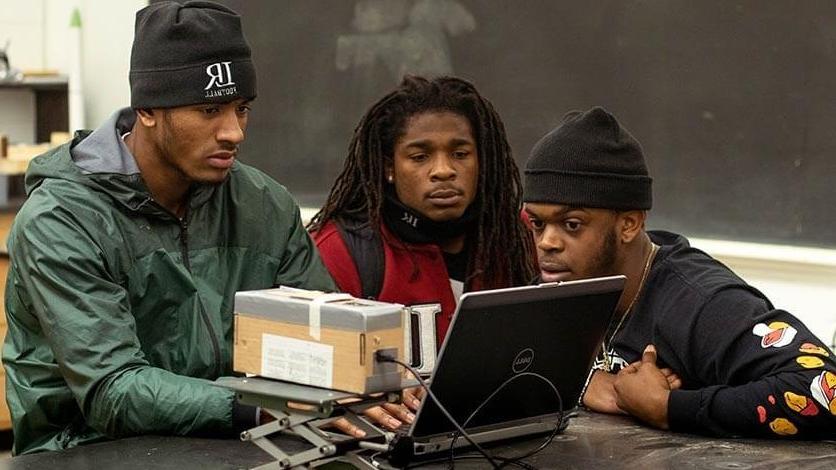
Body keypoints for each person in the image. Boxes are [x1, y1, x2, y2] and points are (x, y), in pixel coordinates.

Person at [2, 1, 335, 455]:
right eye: (209, 110)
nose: (234, 132)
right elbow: (112, 391)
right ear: (148, 110)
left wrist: (371, 385)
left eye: (242, 109)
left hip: (241, 438)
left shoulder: (264, 203)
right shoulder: (61, 221)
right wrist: (263, 406)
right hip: (88, 449)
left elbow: (323, 335)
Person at [522, 106, 836, 438]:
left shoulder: (703, 303)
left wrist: (668, 407)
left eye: (572, 225)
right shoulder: (560, 286)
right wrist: (585, 382)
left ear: (629, 224)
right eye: (538, 224)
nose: (547, 242)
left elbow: (825, 389)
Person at [308, 75, 536, 431]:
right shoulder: (341, 248)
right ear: (388, 167)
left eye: (460, 153)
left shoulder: (519, 235)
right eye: (420, 156)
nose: (444, 171)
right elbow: (300, 372)